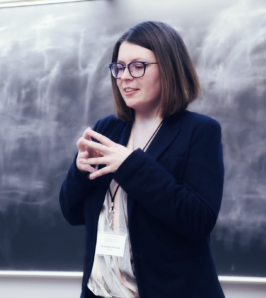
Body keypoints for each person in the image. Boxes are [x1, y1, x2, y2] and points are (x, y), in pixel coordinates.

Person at [59, 21, 225, 298]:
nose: (124, 77)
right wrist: (79, 170)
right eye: (119, 67)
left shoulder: (200, 130)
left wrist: (130, 166)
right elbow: (72, 213)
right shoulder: (106, 128)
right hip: (101, 292)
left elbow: (198, 220)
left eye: (138, 66)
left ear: (169, 67)